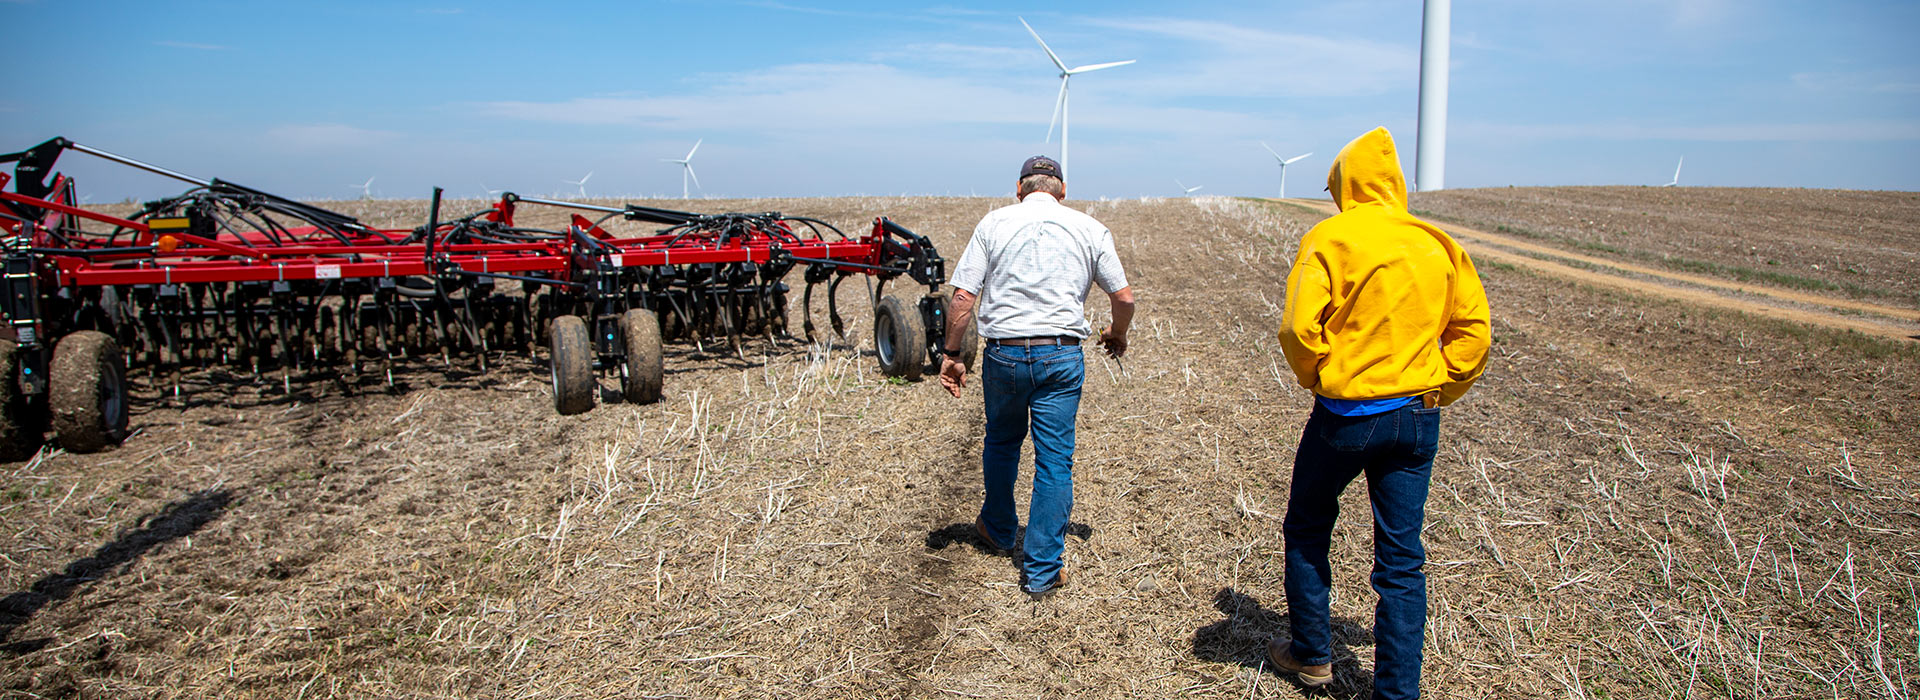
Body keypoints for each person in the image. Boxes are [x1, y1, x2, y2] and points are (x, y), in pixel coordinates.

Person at [1269, 127, 1491, 698]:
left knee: (1307, 526)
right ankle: (1396, 693)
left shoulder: (1331, 237)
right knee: (1401, 562)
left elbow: (1298, 326)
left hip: (1346, 416)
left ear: (1346, 184)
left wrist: (1318, 375)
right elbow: (1473, 332)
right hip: (1418, 417)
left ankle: (1312, 654)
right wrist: (1444, 386)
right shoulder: (1436, 242)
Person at [937, 155, 1134, 599]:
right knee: (1054, 460)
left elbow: (964, 297)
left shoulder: (993, 224)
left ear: (1019, 189)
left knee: (1003, 441)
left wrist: (951, 353)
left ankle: (999, 527)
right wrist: (1115, 334)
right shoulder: (1090, 228)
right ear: (1063, 190)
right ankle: (1043, 570)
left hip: (1003, 355)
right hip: (1060, 357)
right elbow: (1123, 297)